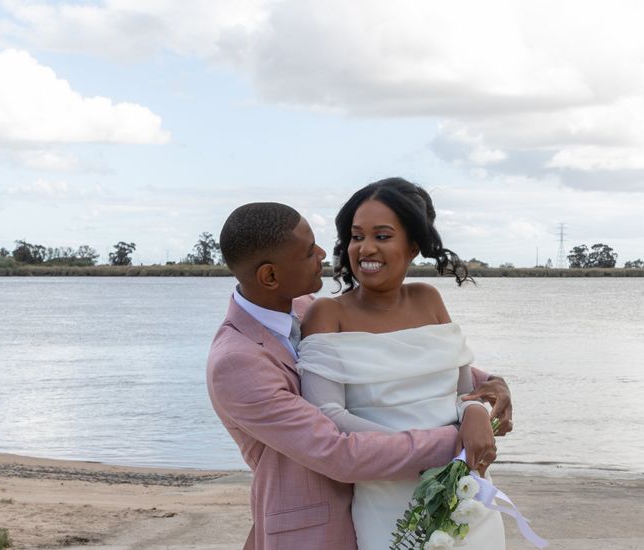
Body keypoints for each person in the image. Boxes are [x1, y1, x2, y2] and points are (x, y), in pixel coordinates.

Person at [207, 202, 513, 550]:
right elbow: (337, 451)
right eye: (309, 252)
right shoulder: (236, 361)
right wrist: (457, 440)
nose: (325, 252)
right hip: (317, 526)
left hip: (392, 500)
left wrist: (485, 385)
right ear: (270, 276)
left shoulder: (307, 308)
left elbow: (389, 361)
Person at [297, 177, 508, 549]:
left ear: (412, 245)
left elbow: (462, 394)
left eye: (382, 236)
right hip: (387, 501)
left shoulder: (428, 300)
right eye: (356, 235)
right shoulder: (327, 314)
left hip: (466, 494)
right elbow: (328, 415)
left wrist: (475, 414)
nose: (365, 248)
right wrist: (431, 451)